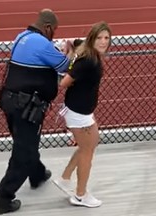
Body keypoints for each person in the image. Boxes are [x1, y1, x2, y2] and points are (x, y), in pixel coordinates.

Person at [0, 9, 74, 215]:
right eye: (54, 30)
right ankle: (3, 198)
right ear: (47, 28)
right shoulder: (43, 44)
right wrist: (70, 51)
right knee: (24, 151)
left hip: (10, 101)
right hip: (26, 106)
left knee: (25, 141)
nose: (54, 34)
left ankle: (37, 174)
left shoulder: (22, 36)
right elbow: (66, 66)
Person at [53, 21, 112, 208]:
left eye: (107, 38)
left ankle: (64, 178)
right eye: (100, 38)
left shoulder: (87, 51)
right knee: (88, 151)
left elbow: (75, 42)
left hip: (81, 110)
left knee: (90, 144)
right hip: (79, 113)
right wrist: (67, 59)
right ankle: (80, 195)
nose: (103, 42)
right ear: (92, 39)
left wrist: (70, 47)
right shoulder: (89, 62)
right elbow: (64, 83)